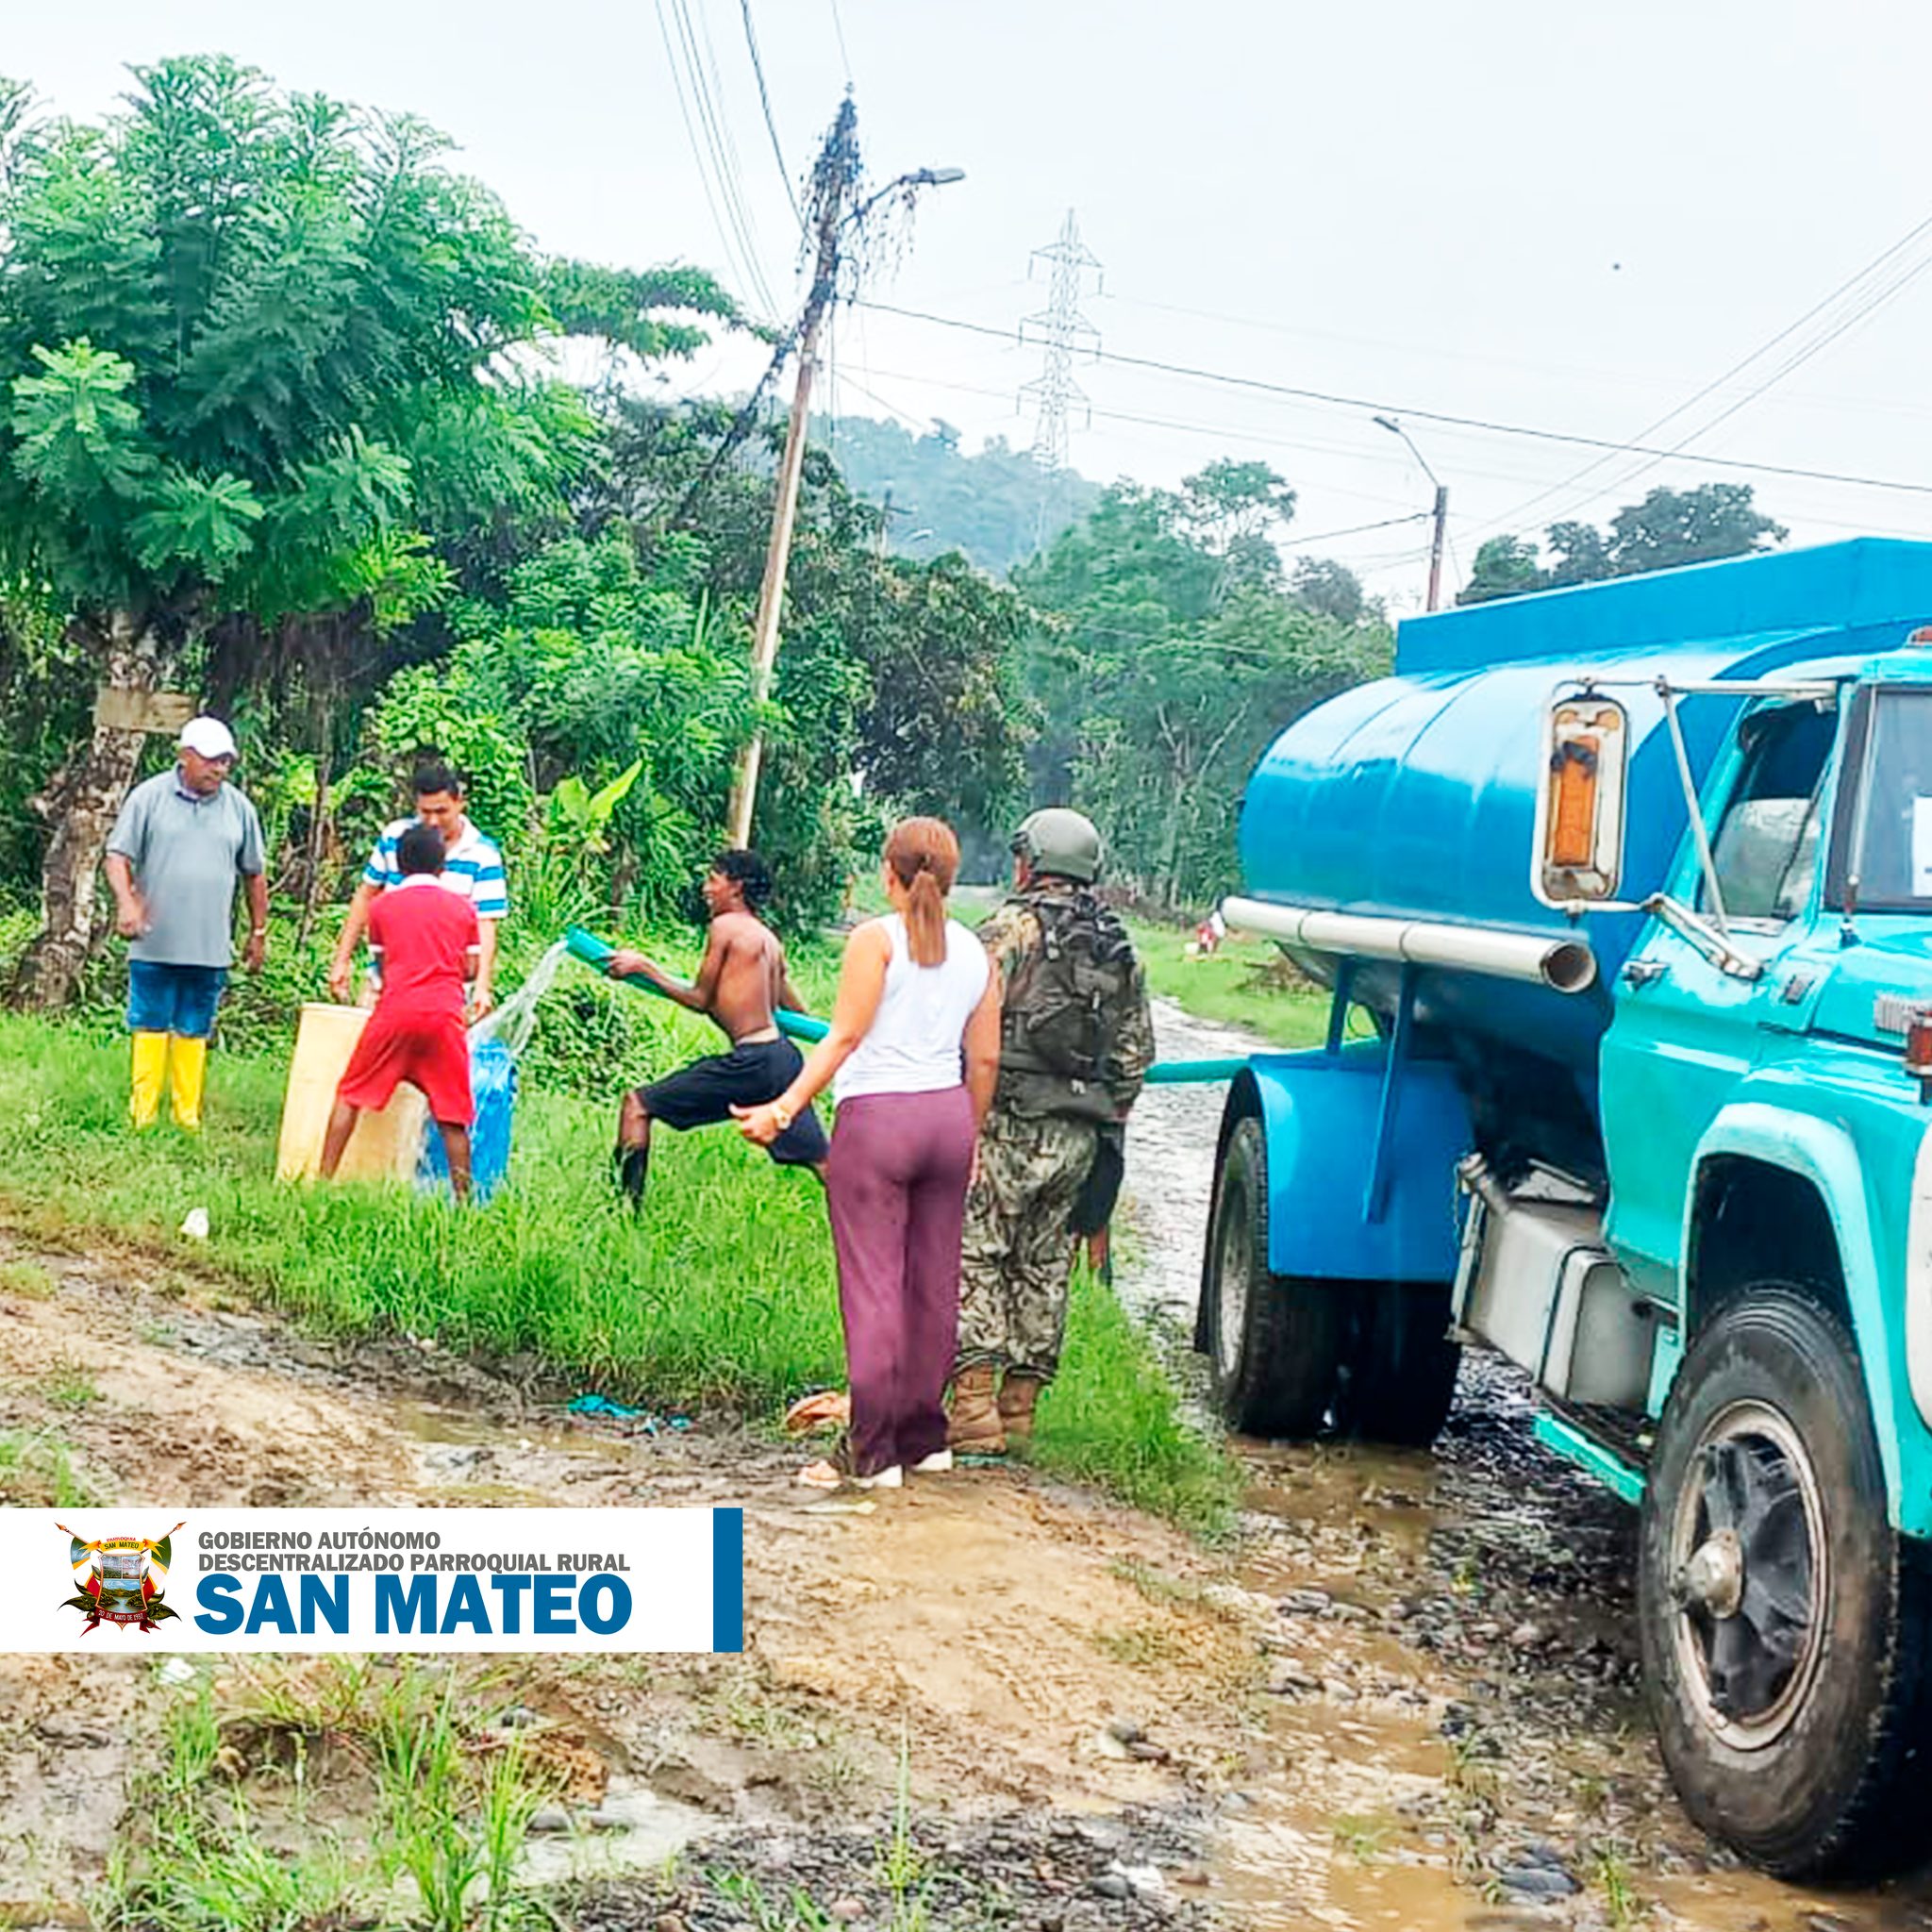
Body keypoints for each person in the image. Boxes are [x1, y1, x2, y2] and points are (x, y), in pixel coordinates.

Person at [737, 819, 1000, 1491]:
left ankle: (872, 1453)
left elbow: (844, 1037)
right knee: (933, 1284)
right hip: (946, 1119)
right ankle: (925, 1440)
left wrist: (782, 1109)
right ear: (950, 877)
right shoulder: (977, 953)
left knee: (874, 1286)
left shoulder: (875, 940)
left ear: (889, 873)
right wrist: (969, 1134)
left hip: (880, 1122)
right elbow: (985, 1060)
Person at [949, 808, 1155, 1455]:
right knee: (1044, 1263)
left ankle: (973, 1409)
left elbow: (962, 1021)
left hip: (1007, 1123)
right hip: (1080, 1137)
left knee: (977, 1252)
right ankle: (1019, 1411)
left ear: (1030, 862)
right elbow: (1134, 1059)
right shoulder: (1120, 948)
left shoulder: (1008, 930)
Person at [606, 849, 828, 1206]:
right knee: (823, 1162)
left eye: (713, 880)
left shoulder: (725, 927)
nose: (705, 889)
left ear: (736, 887)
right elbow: (797, 1012)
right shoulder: (769, 939)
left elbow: (700, 999)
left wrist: (644, 967)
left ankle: (623, 1210)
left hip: (753, 1061)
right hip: (783, 1059)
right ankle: (881, 1221)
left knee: (637, 1105)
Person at [104, 716, 267, 1131]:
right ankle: (142, 1114)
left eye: (225, 762)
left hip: (209, 947)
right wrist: (126, 903)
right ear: (185, 756)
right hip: (154, 941)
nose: (219, 769)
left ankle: (186, 1115)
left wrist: (258, 931)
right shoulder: (149, 798)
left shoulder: (239, 808)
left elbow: (254, 873)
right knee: (150, 1021)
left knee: (194, 1026)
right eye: (211, 760)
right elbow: (117, 856)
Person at [319, 824, 480, 1200]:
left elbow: (383, 964)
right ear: (442, 865)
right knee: (452, 1114)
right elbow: (471, 969)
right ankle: (464, 1201)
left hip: (395, 1011)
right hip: (444, 1016)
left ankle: (322, 1181)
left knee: (350, 1093)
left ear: (400, 865)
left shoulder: (382, 907)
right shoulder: (463, 908)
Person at [329, 759, 508, 1018]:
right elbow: (366, 896)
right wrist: (341, 960)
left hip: (448, 990)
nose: (433, 821)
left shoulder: (483, 855)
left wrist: (482, 986)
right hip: (386, 983)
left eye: (442, 811)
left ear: (459, 803)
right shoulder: (395, 837)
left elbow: (486, 924)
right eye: (425, 812)